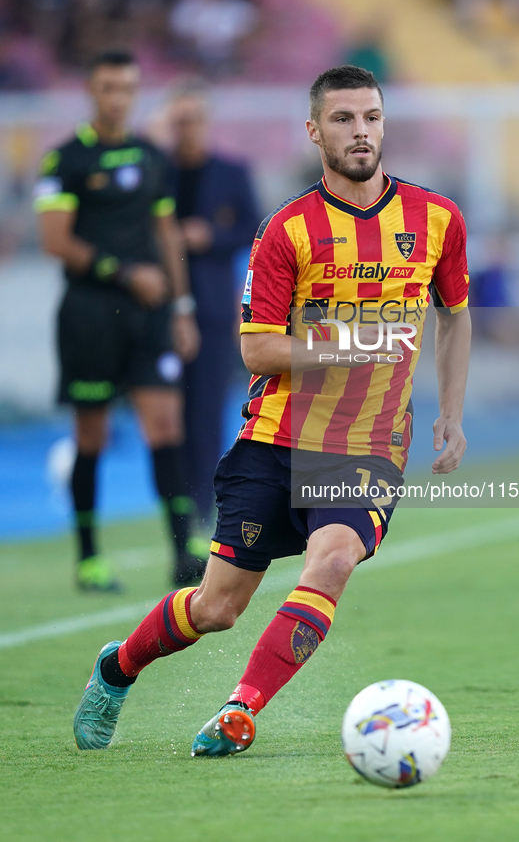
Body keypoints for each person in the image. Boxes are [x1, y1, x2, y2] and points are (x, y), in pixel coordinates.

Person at [72, 65, 471, 755]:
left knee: (334, 558)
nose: (361, 132)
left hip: (367, 444)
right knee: (215, 607)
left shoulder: (436, 218)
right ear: (314, 131)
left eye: (371, 117)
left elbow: (455, 316)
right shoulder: (286, 229)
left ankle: (240, 710)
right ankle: (118, 667)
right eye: (344, 120)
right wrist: (353, 344)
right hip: (275, 439)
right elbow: (256, 351)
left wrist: (451, 413)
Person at [35, 48, 204, 592]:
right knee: (92, 435)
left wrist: (182, 307)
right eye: (108, 87)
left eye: (127, 88)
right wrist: (126, 273)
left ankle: (182, 552)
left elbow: (166, 234)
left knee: (166, 425)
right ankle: (88, 559)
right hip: (89, 314)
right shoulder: (63, 162)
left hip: (151, 313)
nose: (118, 98)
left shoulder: (152, 157)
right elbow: (55, 240)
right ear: (91, 90)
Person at [167, 83, 260, 540]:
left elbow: (255, 227)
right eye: (178, 119)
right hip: (158, 310)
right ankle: (173, 508)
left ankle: (201, 509)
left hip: (212, 307)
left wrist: (211, 237)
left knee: (204, 413)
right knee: (165, 415)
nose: (186, 129)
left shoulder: (230, 172)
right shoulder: (158, 171)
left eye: (193, 119)